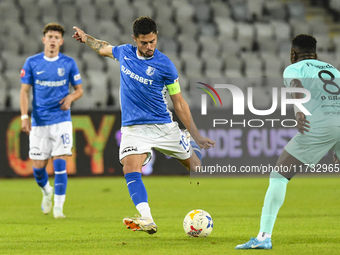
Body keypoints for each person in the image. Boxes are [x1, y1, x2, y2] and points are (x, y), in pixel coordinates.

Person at [72, 16, 215, 234]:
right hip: (133, 128)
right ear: (135, 39)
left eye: (152, 41)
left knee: (196, 168)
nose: (149, 47)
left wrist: (196, 136)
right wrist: (86, 39)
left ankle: (186, 141)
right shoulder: (124, 53)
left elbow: (179, 102)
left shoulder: (165, 65)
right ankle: (147, 218)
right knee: (130, 168)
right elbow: (103, 48)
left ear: (156, 37)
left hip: (163, 126)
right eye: (143, 42)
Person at [236, 34, 340, 249]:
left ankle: (264, 237)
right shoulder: (333, 70)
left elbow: (295, 85)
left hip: (318, 125)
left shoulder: (294, 68)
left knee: (279, 175)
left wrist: (299, 111)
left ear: (293, 54)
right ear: (316, 54)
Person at [20, 23, 83, 219]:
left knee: (60, 164)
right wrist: (24, 116)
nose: (53, 40)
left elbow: (79, 90)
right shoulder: (32, 62)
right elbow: (24, 91)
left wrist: (70, 98)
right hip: (39, 122)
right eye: (50, 36)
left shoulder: (69, 63)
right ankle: (46, 191)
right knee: (38, 168)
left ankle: (58, 208)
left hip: (61, 121)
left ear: (61, 41)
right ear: (44, 39)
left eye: (57, 37)